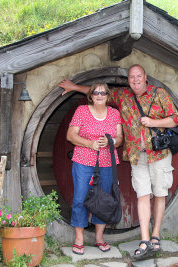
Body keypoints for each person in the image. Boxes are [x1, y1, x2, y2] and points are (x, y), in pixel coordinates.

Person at [59, 64, 178, 260]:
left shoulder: (158, 94)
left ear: (145, 76)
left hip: (155, 154)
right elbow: (94, 95)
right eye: (131, 77)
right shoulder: (120, 97)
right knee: (139, 195)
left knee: (157, 193)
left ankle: (154, 236)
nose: (135, 80)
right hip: (131, 156)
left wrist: (152, 122)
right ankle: (142, 238)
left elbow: (176, 120)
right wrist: (74, 87)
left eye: (138, 76)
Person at [66, 83, 123, 255]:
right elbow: (71, 135)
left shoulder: (114, 113)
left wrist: (111, 142)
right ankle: (79, 239)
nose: (99, 95)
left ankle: (99, 238)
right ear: (91, 95)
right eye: (96, 92)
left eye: (103, 92)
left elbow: (119, 138)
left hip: (106, 163)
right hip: (83, 160)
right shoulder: (82, 110)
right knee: (80, 198)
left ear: (108, 96)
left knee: (102, 200)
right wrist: (90, 143)